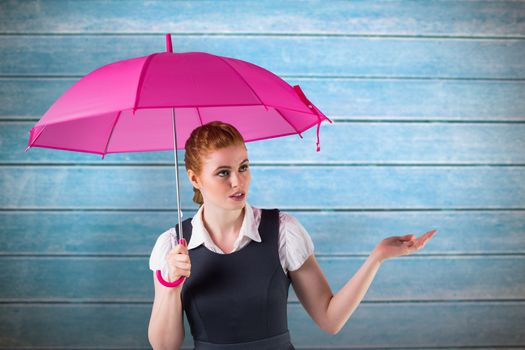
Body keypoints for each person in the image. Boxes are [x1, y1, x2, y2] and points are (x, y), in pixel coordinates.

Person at [147, 121, 437, 350]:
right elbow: (164, 346)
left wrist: (377, 257)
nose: (238, 181)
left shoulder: (283, 231)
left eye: (244, 167)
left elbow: (330, 319)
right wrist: (170, 285)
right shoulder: (173, 246)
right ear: (194, 178)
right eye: (223, 173)